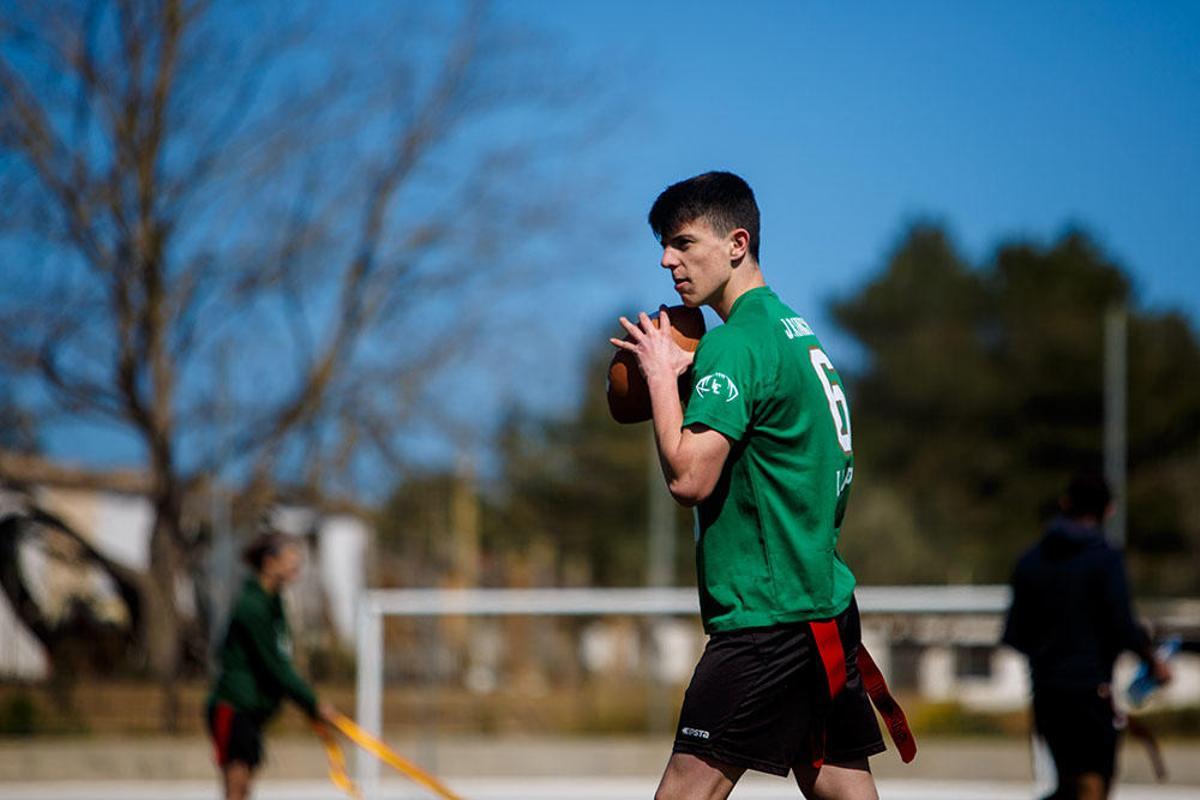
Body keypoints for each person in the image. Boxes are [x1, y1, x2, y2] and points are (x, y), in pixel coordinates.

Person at [611, 171, 883, 800]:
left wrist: (658, 375)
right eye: (664, 246)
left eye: (683, 243)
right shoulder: (795, 332)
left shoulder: (735, 344)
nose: (666, 260)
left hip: (768, 620)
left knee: (684, 792)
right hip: (823, 607)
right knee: (841, 786)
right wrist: (690, 374)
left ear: (737, 243)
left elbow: (689, 477)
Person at [1003, 472, 1172, 800]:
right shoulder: (1105, 559)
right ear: (1109, 510)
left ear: (1065, 503)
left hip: (1047, 694)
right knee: (1092, 786)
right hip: (1091, 692)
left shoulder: (1029, 561)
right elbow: (1123, 625)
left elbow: (1015, 635)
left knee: (1070, 783)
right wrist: (1153, 662)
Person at [206, 530, 337, 800]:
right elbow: (275, 665)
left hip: (254, 709)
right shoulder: (251, 607)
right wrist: (312, 703)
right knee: (236, 784)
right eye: (290, 558)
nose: (296, 564)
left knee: (246, 785)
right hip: (233, 705)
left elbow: (280, 660)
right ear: (269, 561)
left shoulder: (273, 602)